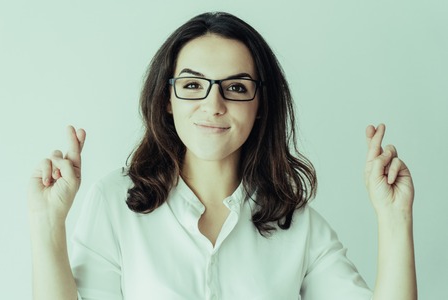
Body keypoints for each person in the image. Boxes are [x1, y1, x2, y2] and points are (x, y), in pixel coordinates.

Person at [28, 12, 417, 300]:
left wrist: (394, 218)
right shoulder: (114, 202)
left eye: (235, 87)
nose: (213, 105)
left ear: (260, 103)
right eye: (193, 84)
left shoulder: (297, 225)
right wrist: (47, 225)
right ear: (167, 99)